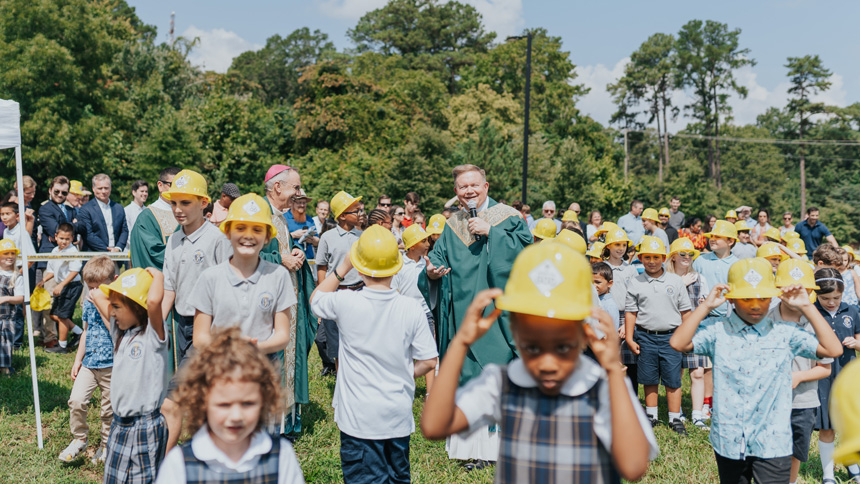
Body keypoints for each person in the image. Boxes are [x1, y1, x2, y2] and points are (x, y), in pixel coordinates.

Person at [421, 243, 658, 482]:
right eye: (532, 347)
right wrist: (461, 342)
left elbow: (634, 466)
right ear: (515, 332)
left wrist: (613, 374)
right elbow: (434, 426)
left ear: (584, 335)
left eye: (562, 347)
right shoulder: (503, 384)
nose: (547, 363)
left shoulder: (601, 388)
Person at [670, 258, 843, 484]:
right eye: (746, 298)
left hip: (773, 440)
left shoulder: (784, 332)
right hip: (730, 438)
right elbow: (678, 343)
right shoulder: (719, 331)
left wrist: (808, 306)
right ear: (731, 299)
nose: (754, 305)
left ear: (772, 297)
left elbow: (833, 349)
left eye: (762, 298)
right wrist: (705, 307)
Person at [311, 226, 437, 483]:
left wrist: (342, 268)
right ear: (396, 265)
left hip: (359, 419)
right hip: (398, 416)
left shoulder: (346, 302)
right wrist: (406, 372)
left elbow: (316, 300)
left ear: (360, 267)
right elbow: (429, 361)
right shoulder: (411, 307)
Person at [427, 164, 531, 465]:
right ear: (456, 193)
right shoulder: (453, 224)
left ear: (486, 186)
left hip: (498, 315)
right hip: (461, 313)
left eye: (474, 185)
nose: (469, 191)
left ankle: (497, 449)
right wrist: (432, 272)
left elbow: (528, 255)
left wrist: (493, 234)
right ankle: (470, 449)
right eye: (462, 187)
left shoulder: (509, 217)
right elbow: (437, 258)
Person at [193, 193, 298, 427]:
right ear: (228, 232)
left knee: (260, 441)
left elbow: (282, 335)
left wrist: (255, 348)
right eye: (241, 228)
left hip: (262, 370)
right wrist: (228, 350)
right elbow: (199, 337)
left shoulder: (278, 276)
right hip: (219, 370)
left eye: (257, 230)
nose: (248, 236)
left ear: (268, 236)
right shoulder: (210, 278)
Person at [155, 327, 305, 484]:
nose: (236, 416)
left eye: (247, 404)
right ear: (201, 403)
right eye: (224, 405)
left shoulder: (281, 457)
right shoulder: (179, 464)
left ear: (265, 401)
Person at [159, 169, 233, 452]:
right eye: (174, 203)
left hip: (211, 327)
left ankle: (160, 467)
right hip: (181, 325)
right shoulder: (173, 240)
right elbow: (169, 288)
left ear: (204, 203)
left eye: (185, 203)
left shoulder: (217, 239)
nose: (178, 210)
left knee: (171, 399)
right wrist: (155, 325)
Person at [93, 267, 168, 484]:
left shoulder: (154, 336)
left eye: (116, 307)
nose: (112, 312)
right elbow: (97, 294)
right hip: (119, 425)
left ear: (137, 306)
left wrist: (158, 276)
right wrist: (117, 289)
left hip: (145, 427)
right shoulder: (120, 334)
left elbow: (153, 302)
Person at [260, 165, 317, 430]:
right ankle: (269, 425)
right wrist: (279, 259)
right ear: (278, 187)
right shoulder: (258, 214)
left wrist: (296, 253)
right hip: (266, 306)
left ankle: (286, 422)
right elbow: (243, 254)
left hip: (287, 298)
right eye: (296, 187)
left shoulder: (281, 218)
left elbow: (281, 249)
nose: (299, 192)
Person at [766, 259, 833, 484]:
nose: (794, 295)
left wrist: (800, 376)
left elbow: (825, 368)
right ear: (778, 290)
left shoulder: (817, 325)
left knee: (796, 451)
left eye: (801, 290)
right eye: (789, 290)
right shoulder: (765, 320)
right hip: (769, 401)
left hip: (803, 402)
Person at [625, 236, 691, 434]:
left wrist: (686, 337)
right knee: (649, 378)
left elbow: (685, 312)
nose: (651, 261)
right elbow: (631, 312)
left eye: (656, 257)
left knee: (673, 379)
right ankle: (651, 415)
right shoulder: (635, 282)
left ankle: (674, 418)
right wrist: (629, 337)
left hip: (671, 337)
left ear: (663, 258)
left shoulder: (675, 281)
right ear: (641, 258)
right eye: (647, 257)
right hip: (645, 336)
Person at [58, 256, 115, 464]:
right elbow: (86, 332)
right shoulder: (89, 302)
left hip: (112, 365)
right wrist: (77, 360)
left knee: (108, 410)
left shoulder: (117, 303)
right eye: (90, 287)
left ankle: (106, 445)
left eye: (98, 287)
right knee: (76, 400)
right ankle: (80, 438)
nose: (93, 292)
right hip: (90, 363)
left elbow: (116, 331)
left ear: (113, 281)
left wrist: (101, 304)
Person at [812, 267, 860, 484]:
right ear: (816, 295)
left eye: (836, 298)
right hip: (823, 377)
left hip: (848, 376)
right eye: (825, 298)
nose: (831, 302)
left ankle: (853, 465)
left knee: (851, 425)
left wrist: (856, 343)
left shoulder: (852, 311)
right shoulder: (812, 312)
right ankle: (828, 474)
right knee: (827, 427)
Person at [315, 191, 363, 377]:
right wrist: (323, 294)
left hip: (359, 292)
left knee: (356, 338)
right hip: (335, 294)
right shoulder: (327, 238)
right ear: (342, 215)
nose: (360, 214)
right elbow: (322, 268)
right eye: (355, 211)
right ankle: (342, 377)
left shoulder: (362, 236)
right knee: (334, 340)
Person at [392, 224, 436, 393]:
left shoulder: (428, 263)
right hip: (404, 314)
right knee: (405, 353)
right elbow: (394, 290)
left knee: (429, 352)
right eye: (423, 241)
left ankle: (431, 392)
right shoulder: (399, 264)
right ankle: (404, 386)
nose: (427, 243)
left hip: (425, 313)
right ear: (412, 246)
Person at [40, 223, 84, 354]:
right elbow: (52, 270)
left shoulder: (73, 251)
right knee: (54, 315)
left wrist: (61, 285)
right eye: (61, 238)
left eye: (67, 239)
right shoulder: (55, 251)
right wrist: (43, 280)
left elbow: (75, 271)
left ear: (72, 238)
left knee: (62, 316)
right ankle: (79, 333)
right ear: (55, 236)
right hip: (63, 285)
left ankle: (62, 346)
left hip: (72, 286)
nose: (64, 241)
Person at [129, 167, 180, 270]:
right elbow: (154, 253)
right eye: (173, 185)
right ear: (160, 186)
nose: (178, 190)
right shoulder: (147, 217)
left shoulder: (186, 213)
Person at [693, 220, 738, 318]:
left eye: (717, 237)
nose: (712, 239)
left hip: (729, 317)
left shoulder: (738, 264)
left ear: (730, 241)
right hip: (702, 316)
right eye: (711, 236)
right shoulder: (700, 260)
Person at [77, 174, 129, 253]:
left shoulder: (119, 208)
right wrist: (107, 250)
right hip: (94, 257)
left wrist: (118, 248)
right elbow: (88, 234)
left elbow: (124, 230)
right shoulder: (85, 209)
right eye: (100, 188)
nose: (103, 191)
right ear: (93, 189)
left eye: (106, 188)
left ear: (110, 188)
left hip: (116, 256)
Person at [0, 239, 23, 376]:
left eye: (12, 253)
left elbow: (20, 298)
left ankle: (5, 368)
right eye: (6, 253)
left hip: (6, 318)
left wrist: (6, 298)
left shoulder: (16, 276)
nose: (10, 256)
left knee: (6, 343)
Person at [285, 190, 318, 261]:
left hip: (308, 260)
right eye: (299, 202)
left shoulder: (309, 219)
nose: (302, 205)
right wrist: (294, 235)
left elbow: (318, 241)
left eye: (304, 203)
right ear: (292, 203)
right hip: (291, 259)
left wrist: (311, 239)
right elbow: (278, 240)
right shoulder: (284, 218)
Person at [592, 262, 620, 330]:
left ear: (609, 283)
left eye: (598, 282)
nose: (593, 285)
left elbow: (612, 331)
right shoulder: (593, 299)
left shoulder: (609, 306)